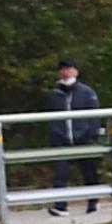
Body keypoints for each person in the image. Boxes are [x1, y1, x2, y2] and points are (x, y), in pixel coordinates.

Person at [46, 59, 103, 215]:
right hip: (62, 139)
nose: (66, 72)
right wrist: (55, 134)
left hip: (83, 139)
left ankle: (93, 201)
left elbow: (95, 116)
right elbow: (50, 117)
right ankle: (60, 206)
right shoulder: (55, 94)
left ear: (76, 72)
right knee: (60, 173)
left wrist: (91, 134)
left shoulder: (87, 92)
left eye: (69, 69)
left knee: (88, 171)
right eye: (63, 69)